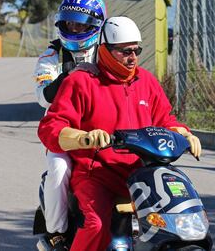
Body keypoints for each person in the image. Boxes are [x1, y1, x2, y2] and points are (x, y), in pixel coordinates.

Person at [38, 16, 202, 251]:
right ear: (104, 50)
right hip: (96, 173)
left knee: (179, 216)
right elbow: (51, 126)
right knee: (96, 224)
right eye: (124, 51)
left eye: (136, 50)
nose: (133, 57)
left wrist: (184, 134)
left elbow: (165, 119)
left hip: (141, 173)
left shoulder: (146, 81)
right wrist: (83, 137)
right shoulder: (81, 81)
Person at [32, 0, 106, 250]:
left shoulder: (107, 51)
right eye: (70, 21)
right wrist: (71, 75)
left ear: (96, 25)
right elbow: (44, 96)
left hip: (105, 129)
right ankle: (56, 233)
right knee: (58, 170)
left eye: (80, 23)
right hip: (64, 133)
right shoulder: (51, 55)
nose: (74, 27)